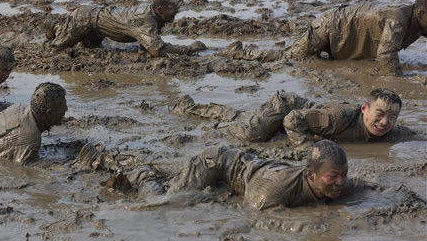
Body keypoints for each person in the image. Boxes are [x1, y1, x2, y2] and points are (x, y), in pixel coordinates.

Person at [77, 140, 349, 210]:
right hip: (215, 164)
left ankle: (99, 157)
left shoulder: (335, 183)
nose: (339, 184)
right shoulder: (273, 190)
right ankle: (140, 175)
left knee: (171, 172)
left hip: (234, 163)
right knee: (161, 204)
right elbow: (255, 214)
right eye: (332, 177)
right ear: (310, 175)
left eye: (343, 176)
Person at [218, 0, 427, 75]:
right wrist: (399, 81)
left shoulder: (419, 21)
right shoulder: (399, 18)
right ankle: (238, 53)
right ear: (420, 13)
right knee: (289, 58)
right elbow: (386, 54)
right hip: (328, 27)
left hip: (340, 28)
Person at [171, 88, 414, 148]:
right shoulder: (337, 118)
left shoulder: (390, 129)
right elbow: (292, 120)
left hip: (307, 116)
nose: (385, 123)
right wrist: (306, 149)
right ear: (364, 109)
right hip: (288, 107)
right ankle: (196, 113)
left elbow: (414, 136)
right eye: (380, 114)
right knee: (250, 133)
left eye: (392, 117)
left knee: (248, 118)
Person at [44, 0, 206, 57]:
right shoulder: (146, 20)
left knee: (90, 49)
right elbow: (157, 50)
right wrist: (188, 48)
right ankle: (40, 37)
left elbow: (147, 43)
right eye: (172, 10)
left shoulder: (155, 15)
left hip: (97, 27)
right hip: (85, 19)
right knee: (53, 48)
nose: (175, 13)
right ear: (159, 9)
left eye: (176, 8)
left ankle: (57, 28)